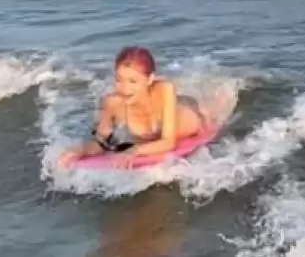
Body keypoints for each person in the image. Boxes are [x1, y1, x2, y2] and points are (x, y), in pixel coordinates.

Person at [58, 46, 205, 168]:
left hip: (191, 116)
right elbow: (102, 143)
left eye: (132, 81)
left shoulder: (165, 89)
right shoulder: (112, 103)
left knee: (206, 112)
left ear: (150, 79)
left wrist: (133, 151)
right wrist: (80, 150)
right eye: (119, 80)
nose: (124, 88)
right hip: (153, 131)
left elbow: (168, 142)